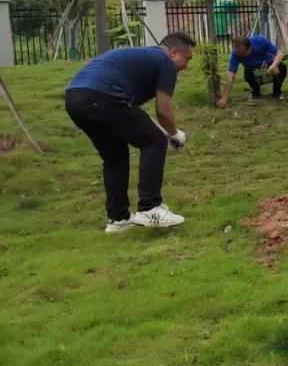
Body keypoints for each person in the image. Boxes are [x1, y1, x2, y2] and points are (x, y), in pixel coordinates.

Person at [64, 33, 195, 233]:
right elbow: (163, 110)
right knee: (154, 142)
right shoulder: (164, 62)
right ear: (173, 52)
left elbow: (132, 111)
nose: (186, 66)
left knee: (115, 156)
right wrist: (174, 134)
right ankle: (150, 208)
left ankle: (118, 219)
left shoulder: (142, 60)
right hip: (102, 97)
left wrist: (163, 133)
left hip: (76, 99)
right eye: (187, 59)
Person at [218, 35, 287, 107]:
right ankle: (256, 91)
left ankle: (277, 91)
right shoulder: (236, 54)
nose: (240, 55)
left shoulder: (260, 41)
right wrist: (224, 98)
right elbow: (230, 76)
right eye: (238, 53)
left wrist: (274, 65)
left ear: (250, 48)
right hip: (254, 72)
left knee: (282, 67)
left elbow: (280, 54)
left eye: (242, 53)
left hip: (269, 68)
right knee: (247, 74)